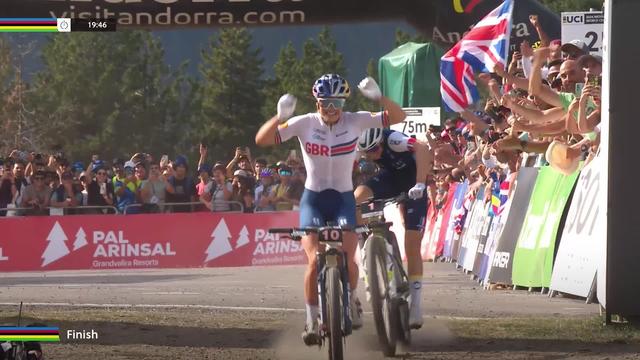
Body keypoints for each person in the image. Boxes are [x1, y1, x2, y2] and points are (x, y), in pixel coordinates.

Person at [255, 73, 407, 345]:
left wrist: (379, 97)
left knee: (348, 260)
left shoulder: (355, 120)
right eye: (326, 103)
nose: (331, 109)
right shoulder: (304, 123)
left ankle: (350, 300)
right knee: (314, 260)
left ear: (343, 103)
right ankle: (312, 318)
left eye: (336, 102)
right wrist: (279, 117)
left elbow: (399, 117)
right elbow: (262, 140)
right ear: (317, 104)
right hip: (313, 199)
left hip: (343, 199)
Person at [355, 127, 434, 329]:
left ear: (381, 142)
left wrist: (420, 184)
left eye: (375, 149)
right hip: (390, 179)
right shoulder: (362, 148)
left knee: (412, 243)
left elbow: (423, 148)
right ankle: (368, 248)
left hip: (412, 182)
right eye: (368, 152)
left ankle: (415, 306)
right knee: (355, 198)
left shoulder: (394, 140)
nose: (373, 155)